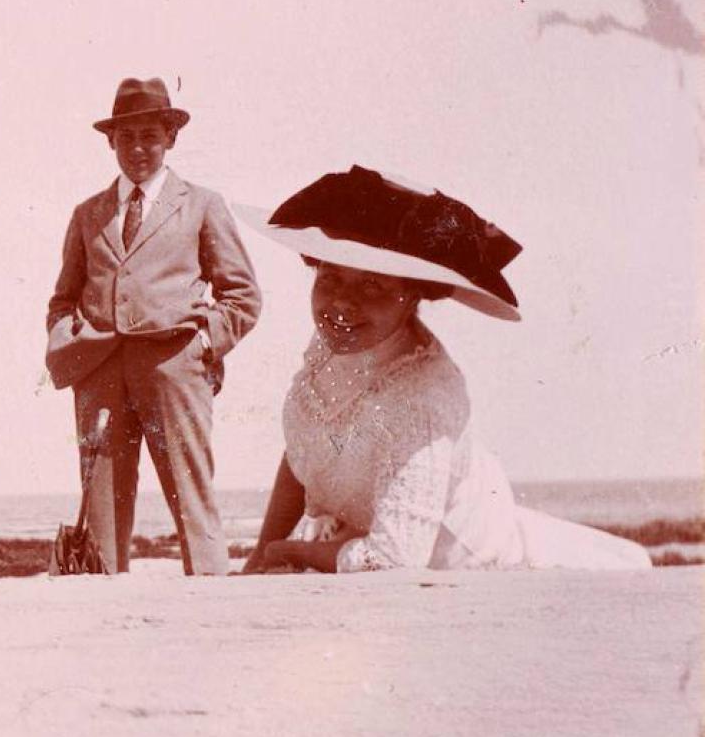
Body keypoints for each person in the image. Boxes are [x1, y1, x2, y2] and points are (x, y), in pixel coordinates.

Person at [238, 166, 650, 573]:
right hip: (382, 539)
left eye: (371, 286)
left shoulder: (426, 397)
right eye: (330, 278)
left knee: (621, 565)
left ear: (413, 296)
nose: (342, 304)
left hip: (469, 561)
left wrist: (289, 552)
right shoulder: (336, 347)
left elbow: (393, 560)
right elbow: (304, 447)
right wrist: (260, 555)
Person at [44, 77, 261, 576]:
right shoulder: (87, 214)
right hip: (98, 369)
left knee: (191, 492)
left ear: (171, 138)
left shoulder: (203, 203)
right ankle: (104, 616)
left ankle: (210, 603)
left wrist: (202, 345)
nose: (138, 148)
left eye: (150, 136)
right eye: (127, 138)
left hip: (173, 368)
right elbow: (62, 297)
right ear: (111, 143)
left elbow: (242, 295)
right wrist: (67, 340)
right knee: (101, 503)